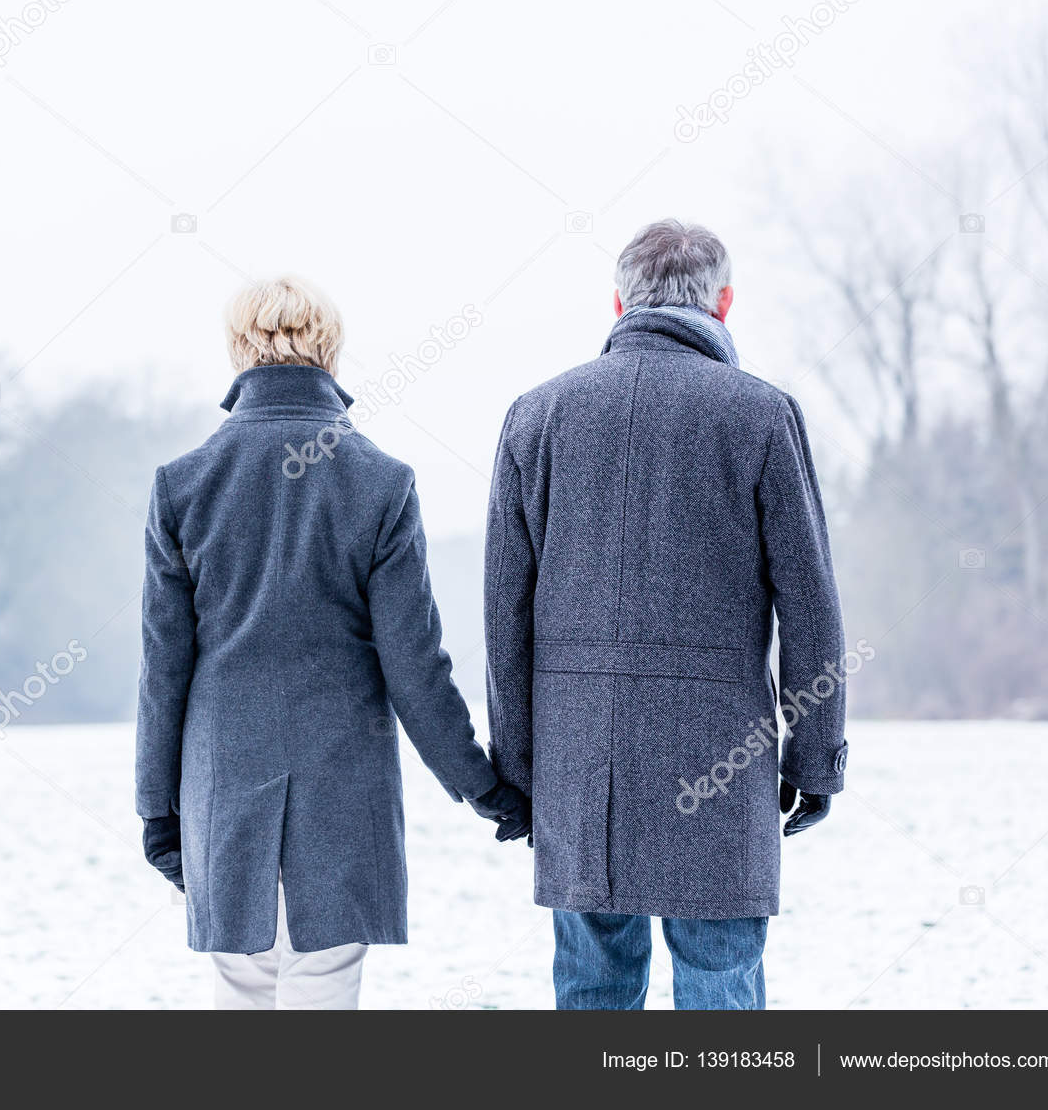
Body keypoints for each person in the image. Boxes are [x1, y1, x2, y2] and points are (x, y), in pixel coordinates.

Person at [135, 275, 529, 1010]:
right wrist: (484, 786)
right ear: (331, 351)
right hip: (341, 798)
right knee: (322, 990)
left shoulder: (182, 486)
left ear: (237, 350)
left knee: (241, 992)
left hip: (222, 794)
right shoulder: (380, 482)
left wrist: (157, 808)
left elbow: (164, 670)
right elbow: (416, 666)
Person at [483, 219, 847, 1010]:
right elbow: (811, 606)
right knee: (721, 983)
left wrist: (517, 769)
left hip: (581, 767)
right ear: (724, 303)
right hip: (721, 764)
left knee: (593, 984)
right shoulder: (761, 415)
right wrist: (815, 757)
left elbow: (505, 617)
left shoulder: (536, 415)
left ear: (619, 302)